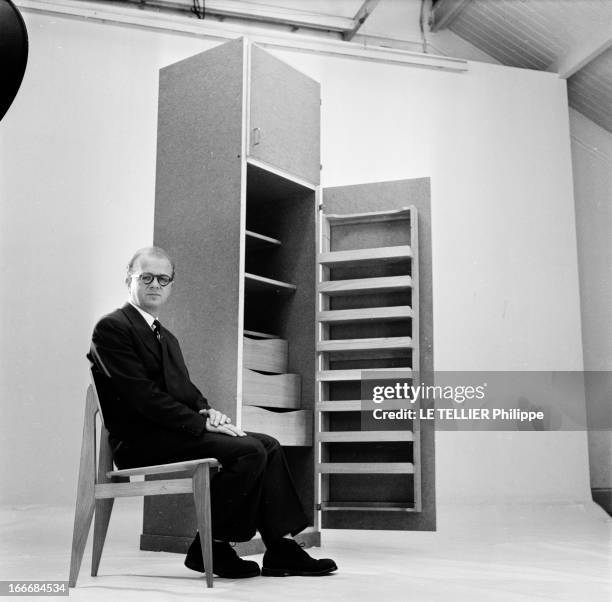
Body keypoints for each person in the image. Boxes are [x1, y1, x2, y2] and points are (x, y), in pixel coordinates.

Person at [88, 246, 337, 579]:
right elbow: (142, 398)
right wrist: (199, 424)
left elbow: (186, 392)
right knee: (248, 450)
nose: (155, 285)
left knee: (268, 444)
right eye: (145, 277)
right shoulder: (112, 328)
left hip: (171, 432)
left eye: (163, 279)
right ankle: (212, 546)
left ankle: (281, 548)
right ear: (128, 280)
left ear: (171, 285)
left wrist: (207, 412)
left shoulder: (166, 337)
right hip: (140, 441)